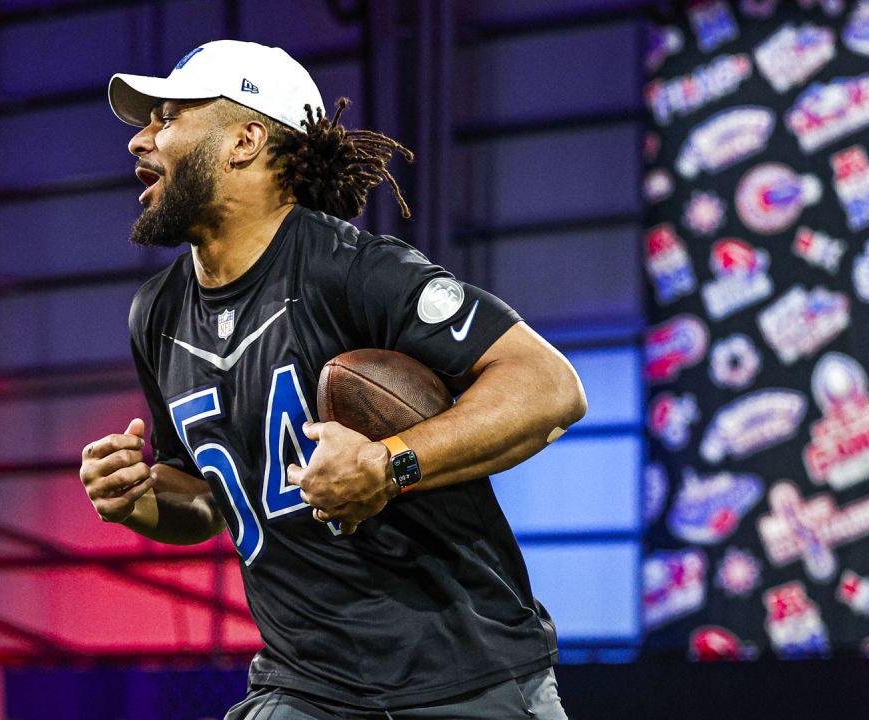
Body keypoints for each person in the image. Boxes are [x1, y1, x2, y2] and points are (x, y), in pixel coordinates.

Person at [81, 40, 586, 719]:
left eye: (168, 116)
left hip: (465, 675)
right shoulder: (158, 313)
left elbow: (549, 387)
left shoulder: (352, 272)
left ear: (246, 140)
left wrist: (389, 465)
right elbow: (203, 498)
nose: (141, 139)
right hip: (305, 686)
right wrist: (139, 497)